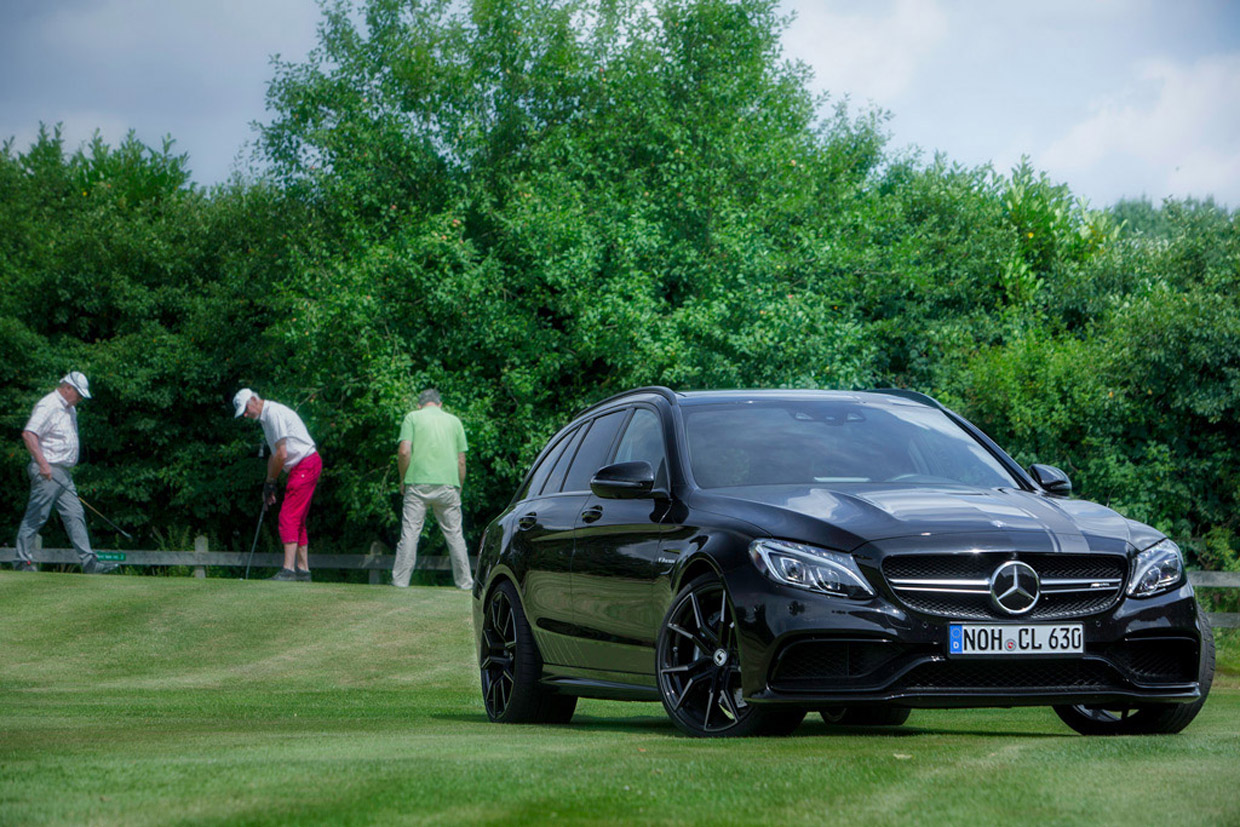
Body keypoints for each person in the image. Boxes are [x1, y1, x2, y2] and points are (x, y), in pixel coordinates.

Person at [13, 372, 116, 574]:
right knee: (37, 516)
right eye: (78, 394)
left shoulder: (70, 410)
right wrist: (43, 464)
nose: (79, 399)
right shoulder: (49, 405)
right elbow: (29, 434)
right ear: (67, 388)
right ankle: (21, 561)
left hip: (64, 474)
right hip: (48, 470)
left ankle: (89, 562)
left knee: (75, 514)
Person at [233, 389, 322, 582]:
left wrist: (272, 481)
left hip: (305, 463)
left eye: (246, 410)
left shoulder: (273, 414)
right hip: (304, 464)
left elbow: (282, 455)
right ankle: (303, 570)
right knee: (297, 518)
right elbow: (274, 455)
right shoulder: (266, 419)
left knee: (288, 515)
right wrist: (269, 483)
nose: (246, 415)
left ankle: (288, 570)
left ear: (254, 400)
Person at [393, 389, 472, 590]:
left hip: (417, 482)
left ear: (419, 405)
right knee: (455, 534)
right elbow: (461, 461)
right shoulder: (454, 421)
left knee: (410, 532)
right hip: (448, 484)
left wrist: (403, 478)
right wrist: (459, 486)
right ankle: (464, 582)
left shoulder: (412, 417)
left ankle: (401, 581)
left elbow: (404, 452)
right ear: (440, 404)